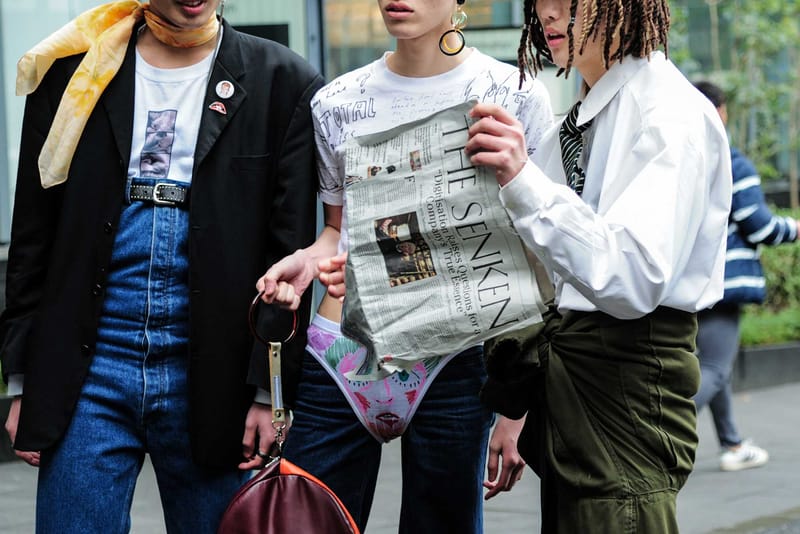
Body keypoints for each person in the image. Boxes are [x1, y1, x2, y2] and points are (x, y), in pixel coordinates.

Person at [0, 1, 322, 532]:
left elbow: (289, 250)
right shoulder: (75, 71)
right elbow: (35, 232)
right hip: (90, 364)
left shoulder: (282, 81)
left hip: (215, 366)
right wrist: (23, 383)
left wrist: (271, 394)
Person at [256, 0, 554, 531]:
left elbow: (535, 255)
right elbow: (336, 232)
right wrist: (304, 263)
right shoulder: (337, 102)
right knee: (306, 522)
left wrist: (518, 406)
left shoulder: (513, 94)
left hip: (456, 357)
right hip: (344, 350)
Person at [461, 0, 733, 531]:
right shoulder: (587, 112)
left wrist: (522, 179)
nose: (549, 14)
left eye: (570, 1)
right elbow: (546, 264)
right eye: (540, 1)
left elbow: (632, 274)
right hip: (570, 377)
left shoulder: (668, 111)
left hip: (626, 376)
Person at [693, 80, 799, 472]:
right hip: (726, 281)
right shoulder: (731, 161)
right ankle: (659, 439)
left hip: (692, 280)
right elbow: (759, 227)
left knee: (712, 363)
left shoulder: (687, 158)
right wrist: (795, 229)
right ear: (719, 112)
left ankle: (733, 445)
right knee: (717, 368)